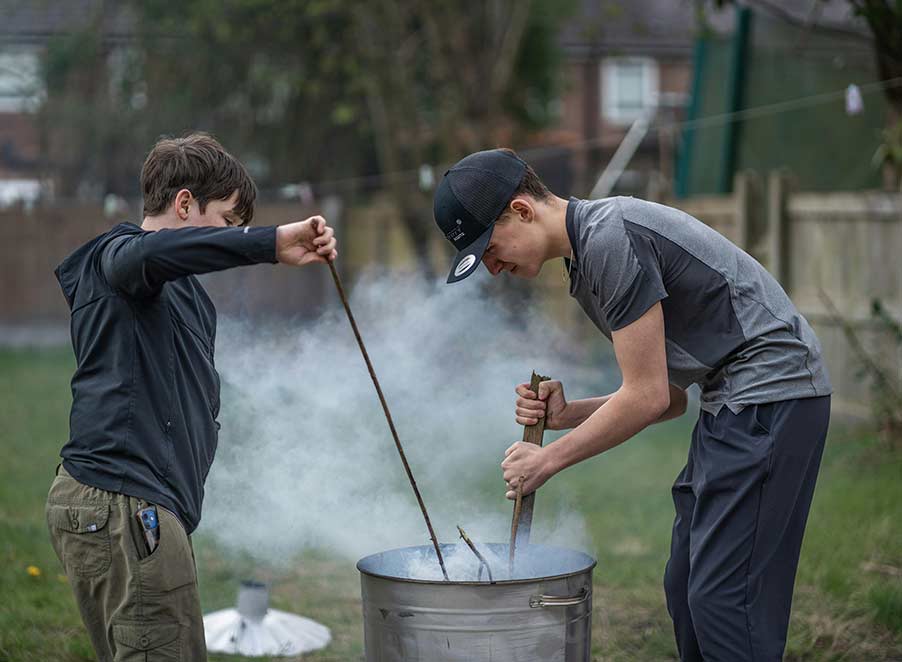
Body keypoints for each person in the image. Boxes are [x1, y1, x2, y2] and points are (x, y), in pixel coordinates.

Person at [432, 148, 831, 661]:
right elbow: (666, 397)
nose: (491, 268)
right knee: (686, 588)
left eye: (489, 248)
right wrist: (568, 415)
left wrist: (546, 460)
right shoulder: (584, 265)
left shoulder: (609, 239)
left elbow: (645, 398)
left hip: (773, 395)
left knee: (724, 601)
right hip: (729, 401)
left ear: (522, 210)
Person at [45, 133, 337, 661]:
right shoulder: (119, 257)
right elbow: (153, 253)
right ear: (184, 203)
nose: (230, 235)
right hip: (125, 503)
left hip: (135, 508)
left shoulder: (184, 294)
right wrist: (267, 243)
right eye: (227, 220)